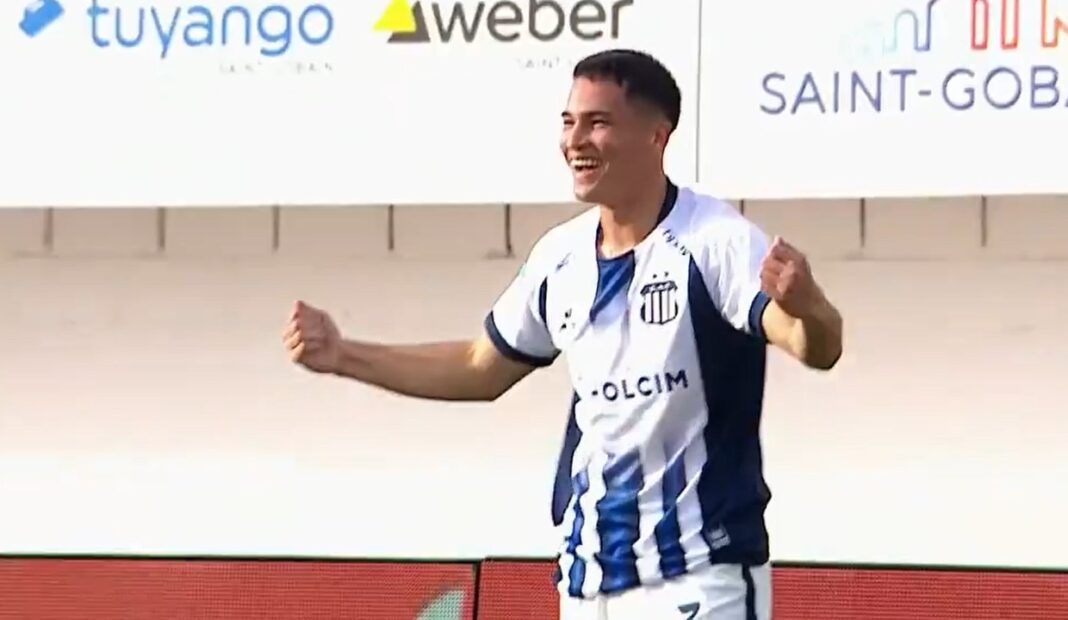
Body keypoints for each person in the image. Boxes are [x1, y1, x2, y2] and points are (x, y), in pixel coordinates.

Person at [282, 49, 843, 620]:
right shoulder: (560, 257)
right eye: (568, 121)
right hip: (588, 580)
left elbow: (812, 345)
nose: (576, 140)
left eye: (598, 122)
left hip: (700, 575)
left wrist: (812, 306)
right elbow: (482, 368)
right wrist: (343, 354)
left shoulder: (716, 241)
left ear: (657, 136)